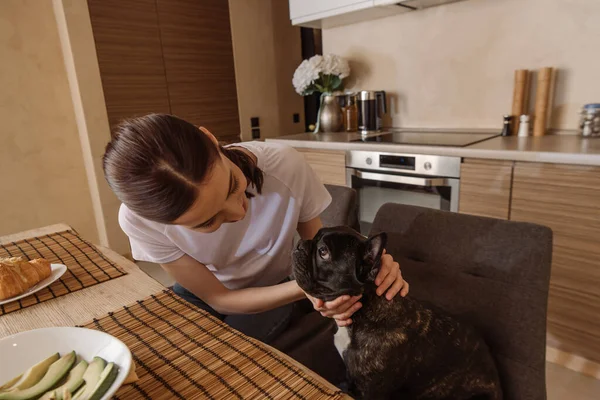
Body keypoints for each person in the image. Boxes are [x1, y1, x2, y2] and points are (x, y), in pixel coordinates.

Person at [102, 113, 409, 384]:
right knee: (146, 364)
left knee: (220, 367)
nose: (237, 212)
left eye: (234, 185)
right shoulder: (138, 221)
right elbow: (219, 298)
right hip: (203, 291)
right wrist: (309, 288)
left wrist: (367, 265)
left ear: (210, 138)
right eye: (208, 222)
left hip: (272, 287)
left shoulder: (284, 165)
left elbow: (321, 248)